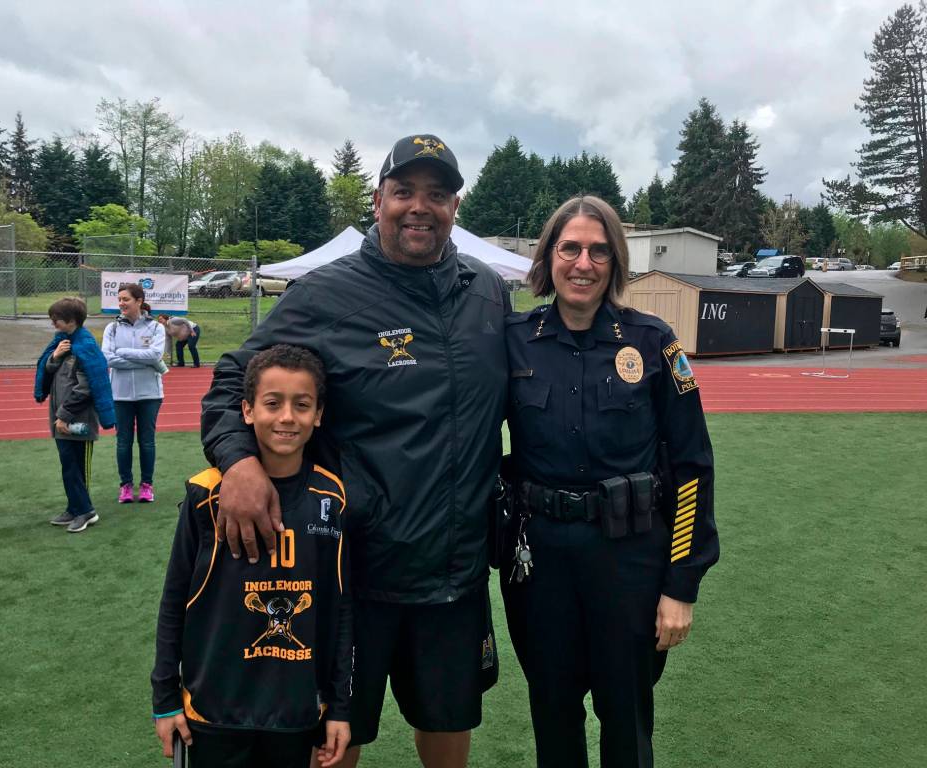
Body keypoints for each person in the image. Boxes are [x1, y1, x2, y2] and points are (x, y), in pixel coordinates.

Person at [199, 134, 508, 768]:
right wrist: (238, 461)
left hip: (457, 569)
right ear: (378, 201)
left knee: (448, 724)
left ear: (456, 205)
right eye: (403, 193)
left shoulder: (487, 291)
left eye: (436, 195)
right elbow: (235, 377)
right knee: (337, 741)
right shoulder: (325, 294)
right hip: (354, 572)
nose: (418, 207)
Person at [501, 196, 720, 768]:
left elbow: (693, 466)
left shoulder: (653, 343)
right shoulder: (512, 340)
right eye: (569, 248)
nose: (583, 263)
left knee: (626, 719)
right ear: (548, 257)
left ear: (616, 262)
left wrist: (680, 585)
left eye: (599, 251)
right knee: (552, 714)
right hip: (539, 562)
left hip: (630, 561)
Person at [152, 344, 351, 768]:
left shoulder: (331, 497)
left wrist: (339, 706)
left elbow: (339, 608)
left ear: (318, 415)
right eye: (272, 403)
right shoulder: (205, 495)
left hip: (296, 711)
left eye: (302, 405)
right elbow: (175, 601)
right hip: (213, 710)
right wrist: (165, 697)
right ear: (246, 411)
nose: (286, 418)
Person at [34, 297, 117, 533]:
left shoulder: (86, 346)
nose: (53, 324)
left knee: (77, 467)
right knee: (67, 465)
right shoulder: (62, 343)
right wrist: (54, 358)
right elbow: (48, 371)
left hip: (78, 420)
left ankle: (86, 511)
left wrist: (64, 415)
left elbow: (86, 387)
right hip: (61, 417)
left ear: (70, 321)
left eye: (56, 320)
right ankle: (74, 507)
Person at [102, 283, 166, 504]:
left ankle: (146, 486)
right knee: (123, 442)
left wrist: (123, 353)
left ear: (139, 301)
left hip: (150, 395)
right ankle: (126, 486)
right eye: (119, 299)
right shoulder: (112, 328)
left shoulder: (156, 327)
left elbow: (156, 354)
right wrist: (143, 361)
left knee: (147, 442)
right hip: (120, 395)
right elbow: (108, 359)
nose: (121, 303)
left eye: (126, 299)